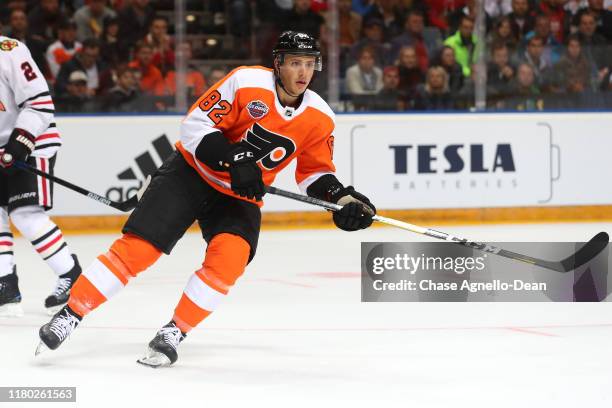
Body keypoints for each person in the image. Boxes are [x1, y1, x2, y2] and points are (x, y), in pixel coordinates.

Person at [37, 31, 376, 367]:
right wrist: (235, 159)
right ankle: (71, 313)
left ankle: (175, 331)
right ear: (278, 64)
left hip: (239, 195)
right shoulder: (245, 82)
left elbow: (314, 174)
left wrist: (340, 197)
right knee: (139, 249)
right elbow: (196, 125)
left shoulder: (320, 117)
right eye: (294, 64)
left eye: (309, 64)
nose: (303, 73)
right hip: (190, 173)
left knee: (229, 261)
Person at [0, 36, 81, 317]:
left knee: (25, 214)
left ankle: (71, 273)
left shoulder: (9, 51)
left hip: (31, 141)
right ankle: (5, 284)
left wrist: (19, 143)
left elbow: (40, 103)